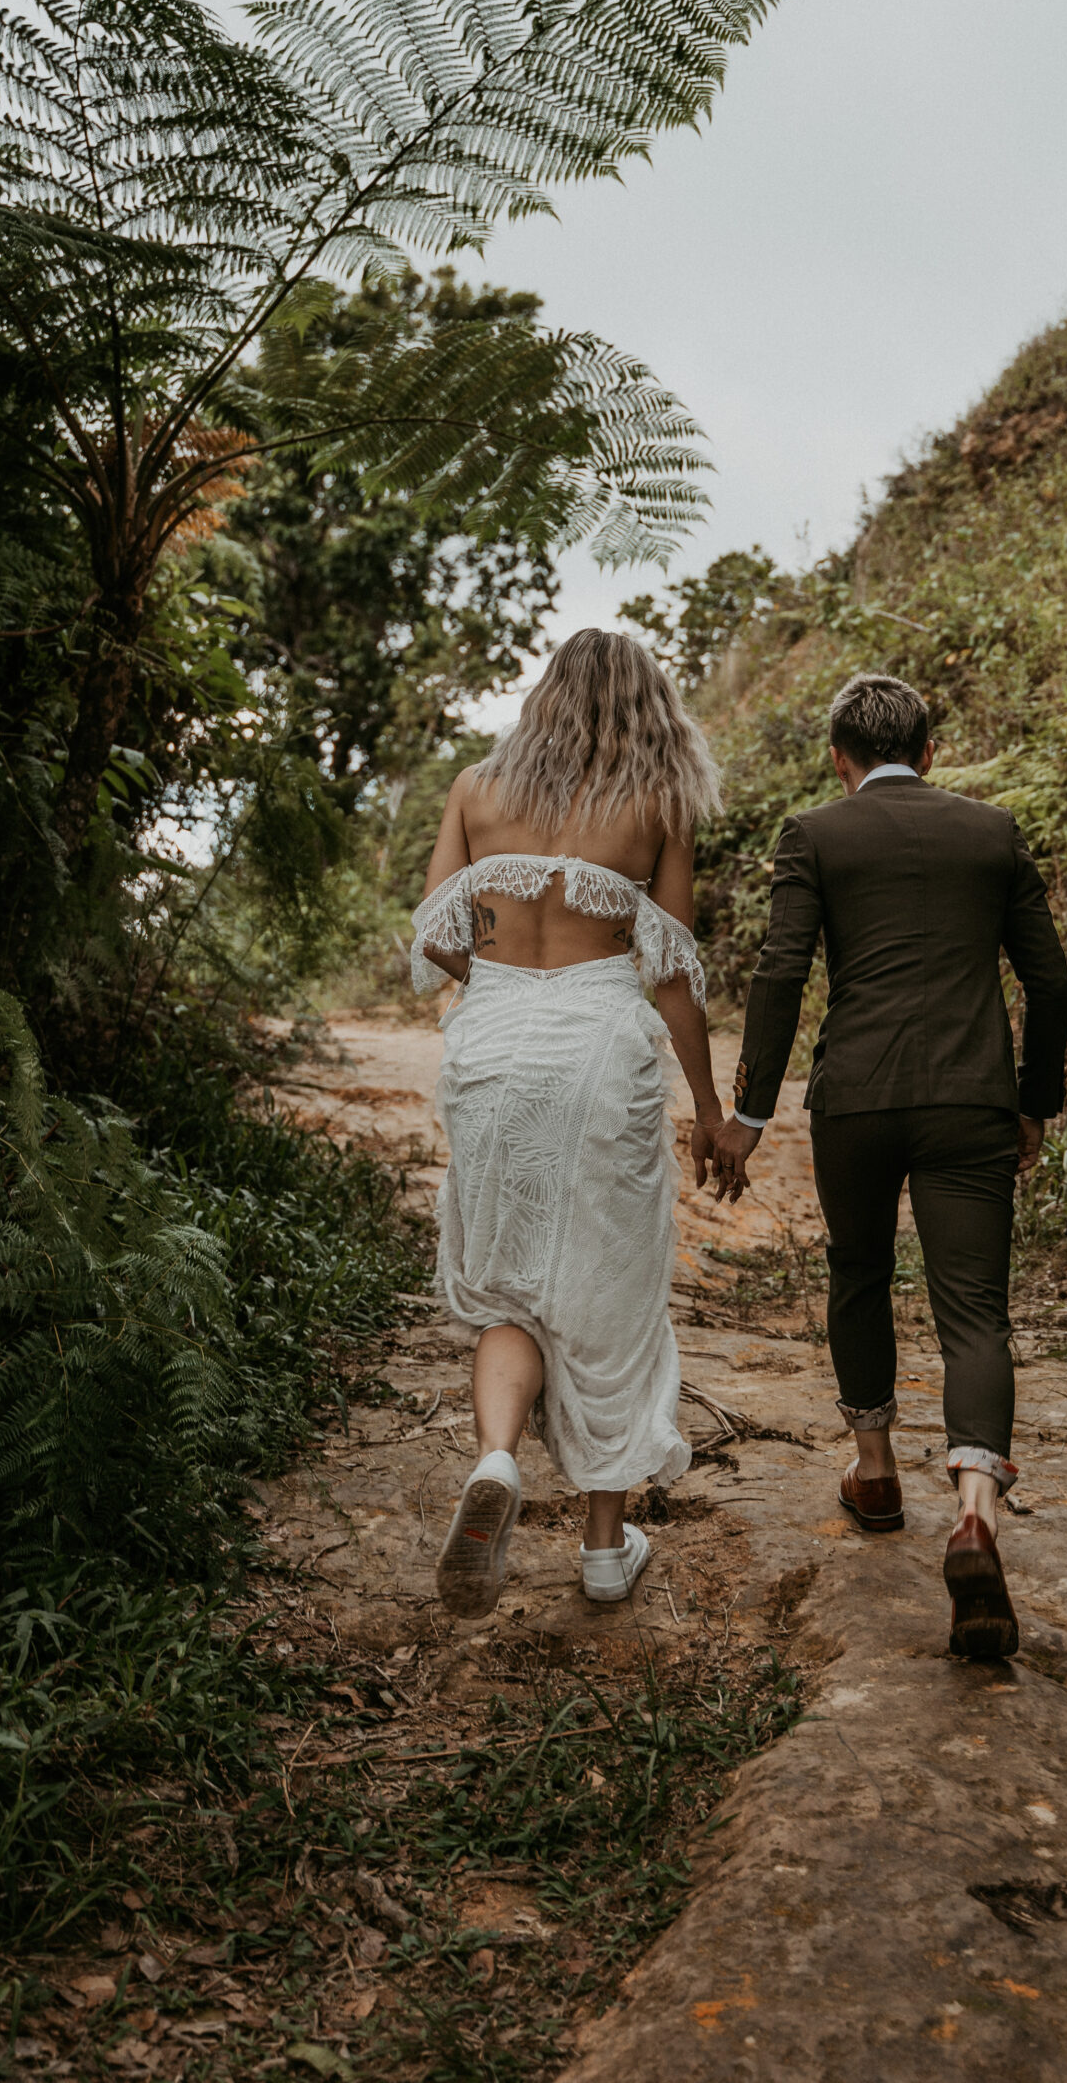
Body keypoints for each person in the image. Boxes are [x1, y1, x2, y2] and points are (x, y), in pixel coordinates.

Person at [711, 673, 1067, 1661]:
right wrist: (1032, 1100)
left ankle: (872, 1471)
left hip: (856, 1101)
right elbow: (1046, 979)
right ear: (929, 750)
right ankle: (972, 1518)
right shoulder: (991, 832)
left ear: (838, 756)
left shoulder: (813, 835)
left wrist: (746, 1111)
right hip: (968, 1102)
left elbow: (780, 973)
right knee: (973, 1310)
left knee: (858, 1272)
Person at [410, 629, 726, 1618]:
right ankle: (601, 1548)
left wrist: (504, 989)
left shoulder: (475, 789)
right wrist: (710, 1111)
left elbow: (434, 933)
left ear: (543, 695)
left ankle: (497, 1459)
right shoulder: (656, 804)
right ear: (645, 704)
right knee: (605, 1298)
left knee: (508, 1289)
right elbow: (669, 974)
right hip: (599, 1042)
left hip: (490, 1039)